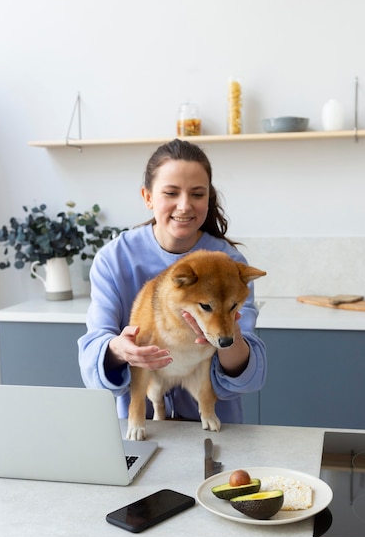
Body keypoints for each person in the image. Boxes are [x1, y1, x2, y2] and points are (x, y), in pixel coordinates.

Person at [78, 139, 266, 423]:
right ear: (148, 196)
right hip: (140, 428)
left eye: (197, 194)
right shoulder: (115, 259)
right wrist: (118, 349)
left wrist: (227, 335)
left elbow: (250, 377)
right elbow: (94, 358)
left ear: (209, 198)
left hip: (214, 426)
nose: (184, 205)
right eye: (171, 192)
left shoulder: (230, 265)